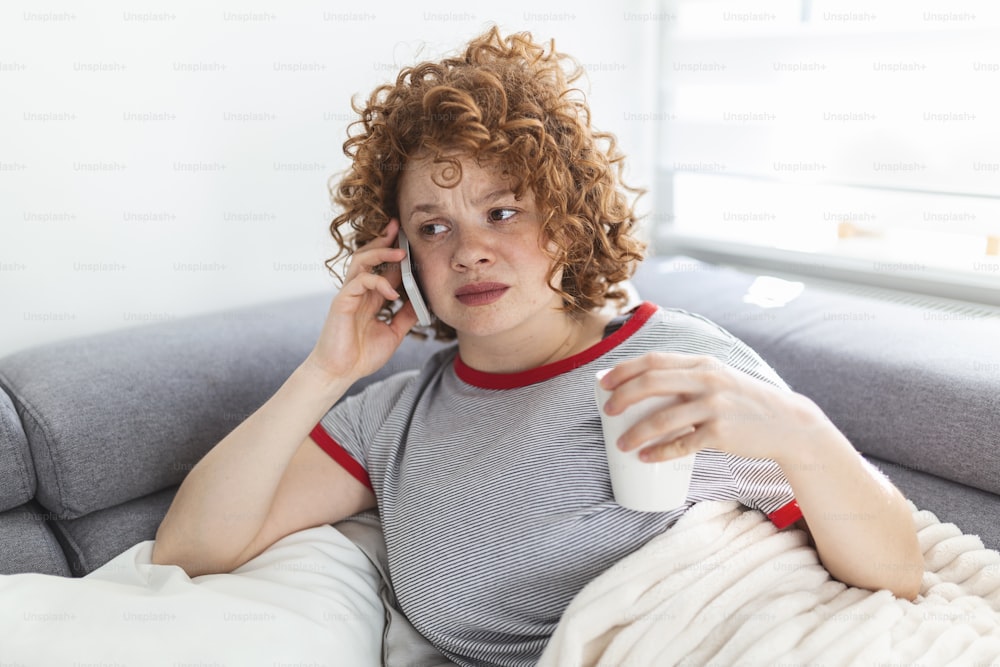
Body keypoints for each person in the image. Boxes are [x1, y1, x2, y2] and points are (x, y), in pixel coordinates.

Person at [151, 26, 922, 666]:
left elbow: (895, 568)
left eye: (504, 210)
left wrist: (803, 434)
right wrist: (325, 372)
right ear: (402, 256)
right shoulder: (389, 420)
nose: (470, 251)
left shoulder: (678, 358)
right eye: (434, 225)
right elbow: (190, 548)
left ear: (566, 221)